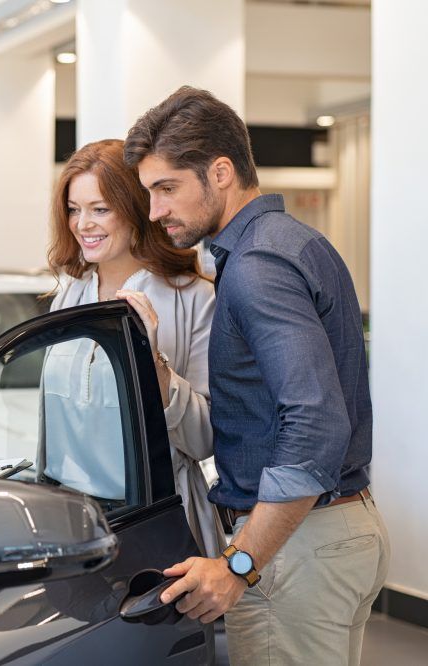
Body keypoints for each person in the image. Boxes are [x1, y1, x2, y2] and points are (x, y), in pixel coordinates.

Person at [124, 86, 388, 665]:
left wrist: (239, 563)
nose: (155, 211)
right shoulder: (296, 243)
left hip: (295, 548)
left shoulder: (256, 266)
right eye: (149, 193)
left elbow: (315, 421)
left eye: (166, 188)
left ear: (221, 172)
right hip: (338, 531)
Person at [42, 139, 224, 559]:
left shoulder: (194, 299)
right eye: (74, 209)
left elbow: (205, 440)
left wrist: (154, 366)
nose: (83, 223)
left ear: (136, 209)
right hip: (73, 526)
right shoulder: (69, 297)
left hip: (156, 521)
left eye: (100, 209)